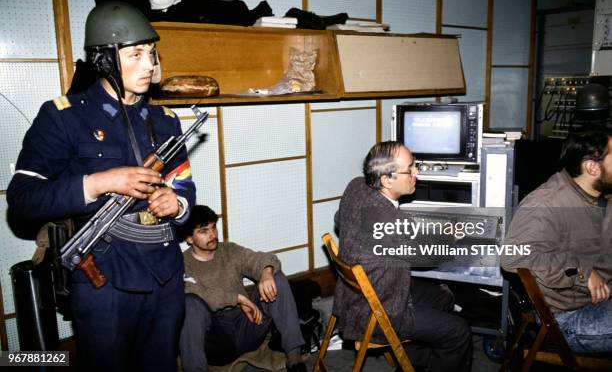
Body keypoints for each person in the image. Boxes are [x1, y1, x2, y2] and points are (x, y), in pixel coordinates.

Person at [7, 2, 196, 371]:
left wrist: (177, 204)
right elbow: (22, 200)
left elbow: (186, 187)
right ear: (104, 59)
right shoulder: (64, 118)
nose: (150, 64)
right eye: (136, 54)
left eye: (152, 52)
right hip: (103, 280)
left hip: (165, 276)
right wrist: (98, 183)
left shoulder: (166, 121)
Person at [332, 141, 473, 372]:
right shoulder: (388, 222)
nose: (417, 172)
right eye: (410, 168)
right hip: (378, 313)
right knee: (458, 332)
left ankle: (416, 361)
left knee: (443, 298)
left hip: (353, 299)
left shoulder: (356, 186)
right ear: (387, 180)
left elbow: (339, 220)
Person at [502, 130, 612, 353]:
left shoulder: (600, 194)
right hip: (568, 316)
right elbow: (513, 257)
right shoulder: (546, 204)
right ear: (592, 167)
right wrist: (582, 271)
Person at [178, 205, 306, 372]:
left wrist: (266, 272)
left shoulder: (229, 250)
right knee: (189, 304)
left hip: (247, 325)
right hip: (216, 339)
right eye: (204, 231)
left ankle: (294, 359)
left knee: (277, 278)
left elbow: (263, 258)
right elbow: (196, 293)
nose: (213, 235)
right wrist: (238, 298)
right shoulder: (182, 263)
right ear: (189, 238)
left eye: (213, 228)